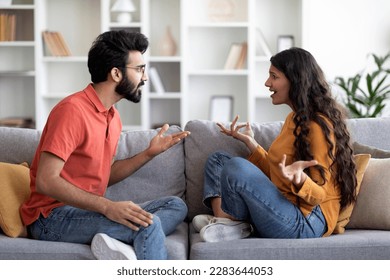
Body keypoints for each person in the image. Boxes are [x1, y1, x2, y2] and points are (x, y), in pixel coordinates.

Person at [20, 30, 190, 259]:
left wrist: (149, 153)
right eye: (139, 69)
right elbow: (46, 181)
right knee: (148, 225)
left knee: (176, 205)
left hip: (86, 212)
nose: (145, 77)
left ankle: (118, 240)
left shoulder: (112, 116)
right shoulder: (72, 111)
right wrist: (107, 207)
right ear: (116, 73)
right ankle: (130, 236)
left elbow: (105, 174)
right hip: (52, 218)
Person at [193, 47, 357, 242]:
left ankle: (230, 223)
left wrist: (300, 181)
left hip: (306, 221)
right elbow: (276, 172)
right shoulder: (294, 119)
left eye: (274, 76)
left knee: (236, 166)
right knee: (219, 160)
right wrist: (251, 144)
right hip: (284, 206)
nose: (267, 83)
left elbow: (319, 195)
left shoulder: (317, 126)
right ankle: (229, 223)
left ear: (295, 80)